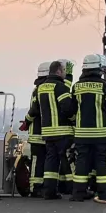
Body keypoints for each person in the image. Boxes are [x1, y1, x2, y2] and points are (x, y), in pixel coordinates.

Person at [69, 54, 106, 201]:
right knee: (101, 162)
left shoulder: (76, 86)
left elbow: (71, 109)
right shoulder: (104, 86)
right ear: (98, 68)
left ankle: (78, 193)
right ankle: (104, 194)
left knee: (81, 162)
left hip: (82, 134)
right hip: (100, 133)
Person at [34, 59, 75, 199]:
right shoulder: (60, 87)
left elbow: (36, 108)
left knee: (51, 161)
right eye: (64, 71)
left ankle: (49, 192)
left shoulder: (41, 88)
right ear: (58, 71)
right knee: (67, 160)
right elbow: (67, 108)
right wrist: (74, 119)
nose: (64, 74)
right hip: (62, 131)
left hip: (47, 132)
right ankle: (74, 189)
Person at [19, 62, 49, 196]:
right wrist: (27, 121)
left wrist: (27, 121)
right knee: (38, 161)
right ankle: (35, 188)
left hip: (38, 133)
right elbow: (35, 110)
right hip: (40, 133)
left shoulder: (37, 89)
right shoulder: (41, 89)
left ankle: (38, 187)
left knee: (39, 161)